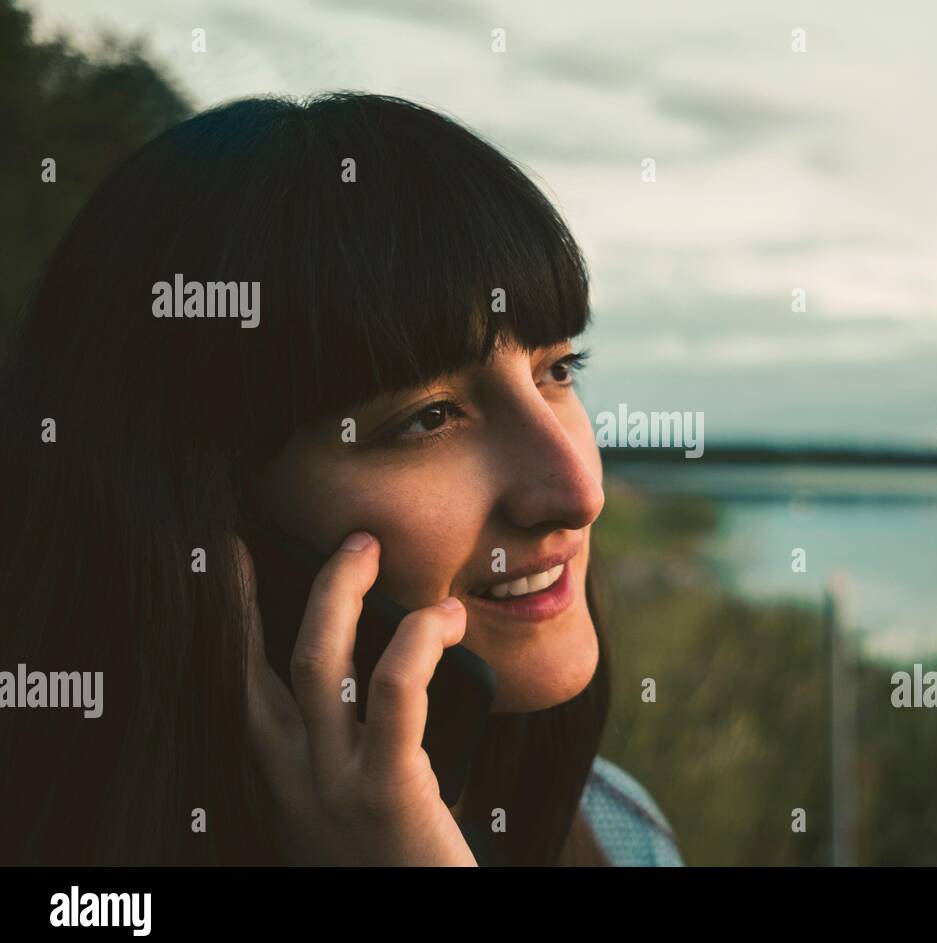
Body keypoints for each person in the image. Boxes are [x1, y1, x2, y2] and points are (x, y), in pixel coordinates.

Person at [0, 91, 683, 867]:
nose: (578, 491)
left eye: (557, 370)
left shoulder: (623, 829)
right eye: (429, 418)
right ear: (215, 521)